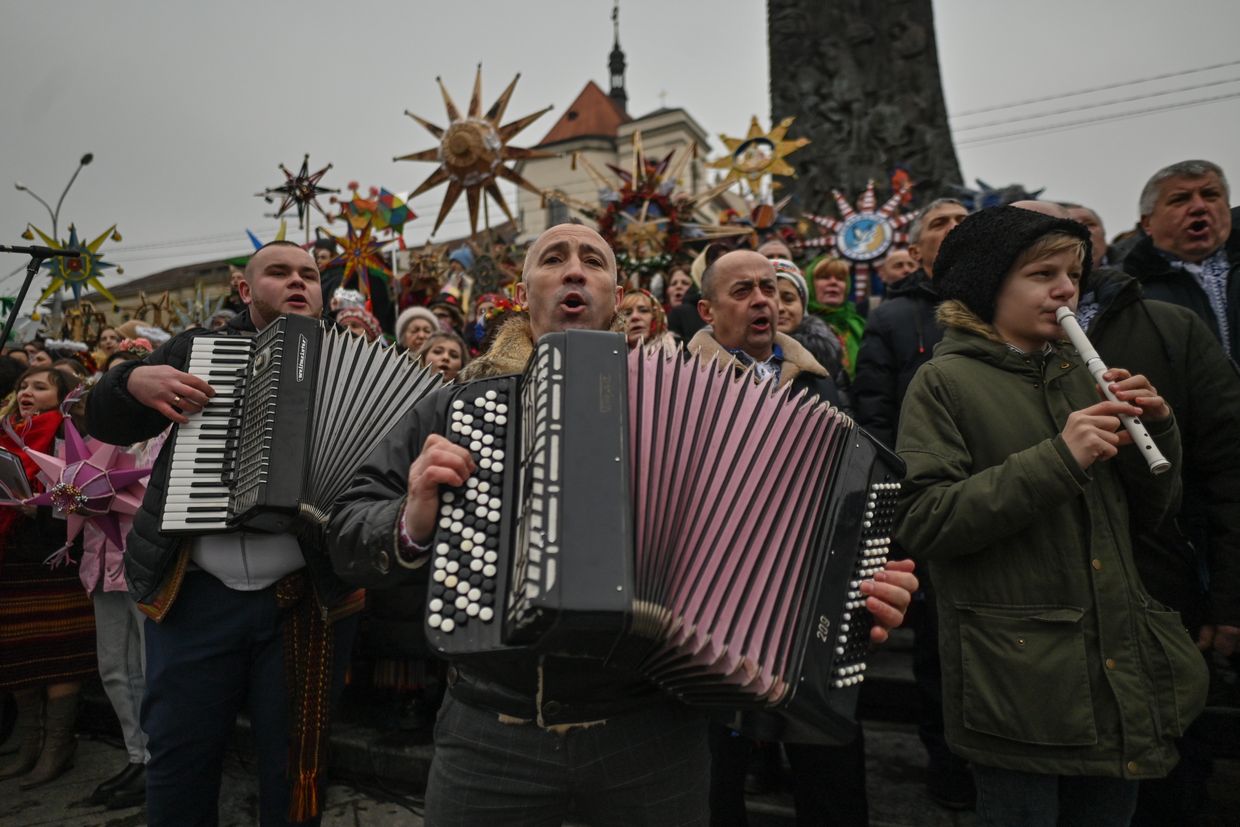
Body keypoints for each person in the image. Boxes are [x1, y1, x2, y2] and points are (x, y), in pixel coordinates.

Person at [326, 224, 917, 826]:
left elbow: (776, 540)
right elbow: (348, 525)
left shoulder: (700, 405)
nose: (575, 270)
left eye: (594, 262)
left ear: (615, 292)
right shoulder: (458, 404)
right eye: (553, 259)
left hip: (650, 735)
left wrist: (851, 594)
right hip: (491, 731)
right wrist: (411, 520)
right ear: (523, 290)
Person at [895, 205, 1208, 825]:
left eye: (1072, 272)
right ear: (989, 286)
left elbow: (1150, 516)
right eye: (1043, 274)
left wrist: (1161, 432)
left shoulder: (1078, 376)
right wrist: (1060, 459)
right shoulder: (943, 383)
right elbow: (923, 519)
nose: (1067, 289)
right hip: (1018, 679)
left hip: (1115, 665)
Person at [84, 241, 362, 826]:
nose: (297, 283)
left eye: (309, 275)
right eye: (279, 272)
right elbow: (101, 417)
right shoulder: (194, 350)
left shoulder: (357, 363)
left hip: (303, 598)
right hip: (194, 595)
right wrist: (130, 381)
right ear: (243, 290)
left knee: (296, 770)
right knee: (180, 759)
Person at [1026, 198, 1240, 824]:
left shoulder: (1167, 325)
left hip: (1162, 578)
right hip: (1051, 606)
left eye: (1075, 250)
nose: (1062, 277)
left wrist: (1227, 598)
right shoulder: (989, 348)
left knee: (1168, 757)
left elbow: (1226, 465)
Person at [688, 250, 869, 827]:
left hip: (805, 598)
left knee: (829, 759)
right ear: (707, 311)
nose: (762, 300)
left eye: (769, 288)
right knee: (714, 773)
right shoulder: (679, 382)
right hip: (710, 609)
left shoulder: (817, 381)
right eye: (742, 291)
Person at [0, 367, 95, 790]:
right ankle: (31, 741)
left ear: (62, 395)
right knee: (19, 649)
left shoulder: (69, 435)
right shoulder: (7, 435)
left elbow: (81, 498)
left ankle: (58, 744)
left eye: (39, 386)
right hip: (13, 559)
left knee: (57, 651)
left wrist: (38, 508)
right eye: (23, 385)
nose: (27, 392)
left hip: (55, 559)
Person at [852, 197, 968, 449]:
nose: (954, 226)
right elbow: (874, 408)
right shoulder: (888, 317)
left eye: (962, 220)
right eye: (939, 223)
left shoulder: (1008, 303)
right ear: (915, 251)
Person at [1122, 160, 1240, 362]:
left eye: (1210, 195)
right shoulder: (1127, 293)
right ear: (1148, 223)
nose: (1199, 207)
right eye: (1180, 199)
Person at [772, 258, 845, 380]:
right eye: (771, 300)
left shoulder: (826, 352)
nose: (779, 308)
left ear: (803, 304)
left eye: (788, 299)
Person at [806, 255, 865, 378]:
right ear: (810, 284)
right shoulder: (798, 325)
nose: (833, 282)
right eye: (824, 277)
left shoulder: (859, 325)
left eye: (840, 278)